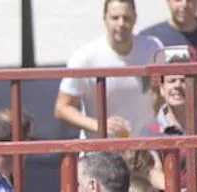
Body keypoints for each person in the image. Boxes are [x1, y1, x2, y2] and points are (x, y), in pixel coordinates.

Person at [56, 0, 164, 138]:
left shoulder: (152, 47)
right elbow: (62, 108)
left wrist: (155, 126)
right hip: (100, 151)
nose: (121, 24)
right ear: (105, 19)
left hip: (143, 147)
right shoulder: (85, 58)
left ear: (135, 19)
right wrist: (99, 125)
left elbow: (162, 92)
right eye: (115, 18)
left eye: (126, 18)